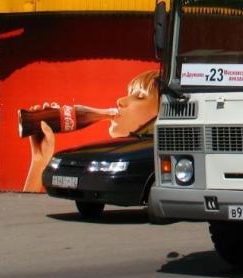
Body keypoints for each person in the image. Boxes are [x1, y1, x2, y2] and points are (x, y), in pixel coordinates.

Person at [23, 70, 161, 193]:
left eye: (140, 97)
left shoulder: (153, 154)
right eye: (129, 94)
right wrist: (39, 160)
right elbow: (27, 217)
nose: (120, 101)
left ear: (162, 112)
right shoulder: (112, 150)